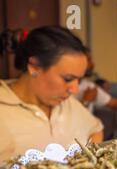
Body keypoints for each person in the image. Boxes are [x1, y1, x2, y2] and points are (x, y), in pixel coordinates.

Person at [0, 26, 104, 161]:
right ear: (34, 67)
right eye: (68, 79)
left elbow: (96, 130)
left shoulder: (67, 102)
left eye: (79, 79)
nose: (75, 89)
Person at [75, 52, 117, 124]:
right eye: (89, 60)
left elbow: (115, 103)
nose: (93, 64)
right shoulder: (67, 89)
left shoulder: (90, 87)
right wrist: (85, 101)